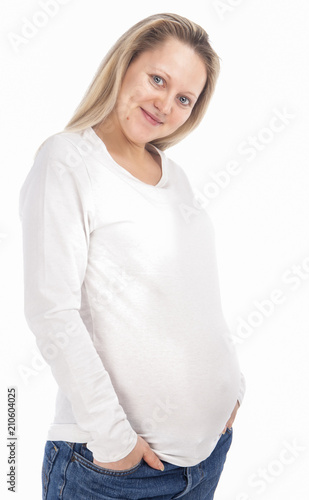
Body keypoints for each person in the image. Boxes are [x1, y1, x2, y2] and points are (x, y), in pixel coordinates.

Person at [19, 12, 245, 500]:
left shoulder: (174, 175)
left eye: (184, 98)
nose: (165, 104)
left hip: (207, 459)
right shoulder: (67, 160)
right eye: (157, 79)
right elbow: (50, 312)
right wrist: (115, 443)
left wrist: (233, 386)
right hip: (118, 472)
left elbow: (196, 295)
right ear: (125, 65)